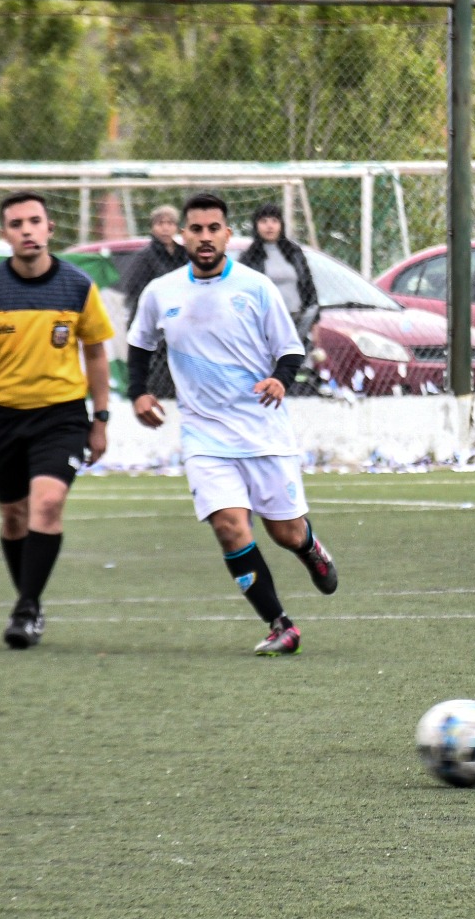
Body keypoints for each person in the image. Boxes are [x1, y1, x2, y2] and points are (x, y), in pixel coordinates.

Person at [127, 192, 338, 656]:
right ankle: (279, 624)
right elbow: (139, 346)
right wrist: (138, 392)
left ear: (227, 234)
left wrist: (281, 381)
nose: (204, 237)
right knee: (229, 526)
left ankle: (308, 547)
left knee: (284, 532)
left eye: (213, 228)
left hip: (263, 431)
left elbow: (290, 349)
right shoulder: (160, 292)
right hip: (204, 435)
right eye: (196, 229)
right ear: (182, 235)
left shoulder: (256, 287)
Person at [0, 192, 116, 649]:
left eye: (34, 221)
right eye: (16, 223)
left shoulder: (78, 286)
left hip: (61, 416)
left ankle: (26, 608)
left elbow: (97, 353)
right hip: (0, 418)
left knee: (47, 504)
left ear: (49, 229)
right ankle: (30, 602)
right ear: (4, 234)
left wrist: (100, 419)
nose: (26, 230)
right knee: (13, 517)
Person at [238, 203, 322, 384]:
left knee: (297, 368)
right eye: (264, 221)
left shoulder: (294, 252)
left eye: (274, 221)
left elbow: (308, 287)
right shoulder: (249, 257)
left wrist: (314, 322)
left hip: (296, 320)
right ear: (256, 225)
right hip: (266, 322)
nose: (269, 226)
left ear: (281, 224)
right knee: (269, 369)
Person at [118, 204, 187, 399]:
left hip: (182, 323)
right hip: (158, 325)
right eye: (160, 223)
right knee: (159, 380)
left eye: (170, 223)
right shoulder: (145, 257)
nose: (165, 228)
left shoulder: (184, 255)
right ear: (152, 227)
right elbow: (136, 292)